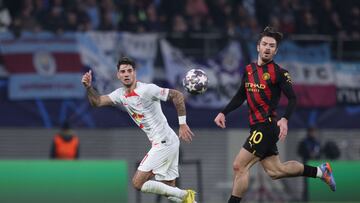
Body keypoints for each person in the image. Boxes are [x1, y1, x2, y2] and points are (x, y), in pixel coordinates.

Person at [214, 26, 336, 203]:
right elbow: (241, 95)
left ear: (276, 51)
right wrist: (223, 112)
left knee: (239, 165)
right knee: (276, 171)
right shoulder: (249, 70)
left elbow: (293, 98)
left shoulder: (280, 73)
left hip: (267, 125)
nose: (267, 48)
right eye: (265, 44)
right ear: (258, 47)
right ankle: (320, 171)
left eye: (272, 46)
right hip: (256, 126)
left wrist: (285, 119)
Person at [81, 57, 196, 203]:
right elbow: (97, 102)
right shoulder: (120, 94)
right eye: (123, 71)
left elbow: (177, 95)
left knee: (137, 183)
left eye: (129, 71)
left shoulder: (147, 90)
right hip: (169, 141)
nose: (126, 74)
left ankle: (185, 195)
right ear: (118, 75)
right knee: (169, 191)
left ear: (135, 73)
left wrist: (183, 124)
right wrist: (89, 87)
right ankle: (188, 199)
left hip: (164, 142)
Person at [297, 127, 322, 201]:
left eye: (314, 132)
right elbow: (299, 152)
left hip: (315, 165)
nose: (313, 133)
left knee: (315, 183)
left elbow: (320, 153)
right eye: (311, 132)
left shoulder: (317, 142)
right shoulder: (304, 142)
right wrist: (308, 154)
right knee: (307, 184)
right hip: (307, 164)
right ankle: (306, 199)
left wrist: (316, 156)